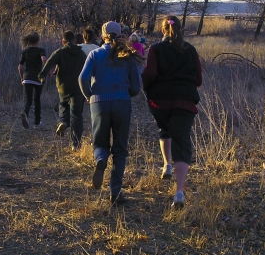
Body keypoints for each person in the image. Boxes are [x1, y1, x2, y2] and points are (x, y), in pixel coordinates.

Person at [142, 15, 202, 209]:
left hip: (160, 101)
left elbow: (150, 73)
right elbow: (198, 79)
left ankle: (167, 165)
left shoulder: (156, 49)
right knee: (182, 142)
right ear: (180, 29)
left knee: (164, 129)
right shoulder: (191, 50)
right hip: (185, 101)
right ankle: (179, 192)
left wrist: (148, 90)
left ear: (162, 30)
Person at [79, 21, 141, 204]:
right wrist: (126, 94)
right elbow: (136, 87)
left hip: (99, 103)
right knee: (120, 149)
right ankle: (115, 191)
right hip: (122, 102)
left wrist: (89, 96)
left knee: (100, 141)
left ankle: (100, 159)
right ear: (120, 35)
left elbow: (82, 78)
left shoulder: (95, 54)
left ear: (102, 35)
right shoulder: (127, 56)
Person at [39, 30, 86, 150]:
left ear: (63, 41)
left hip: (63, 87)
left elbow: (48, 63)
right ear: (75, 41)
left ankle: (64, 122)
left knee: (63, 105)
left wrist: (42, 76)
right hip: (78, 87)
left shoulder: (60, 52)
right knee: (76, 115)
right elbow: (88, 68)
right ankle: (75, 144)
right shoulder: (81, 54)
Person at [18, 32, 47, 129]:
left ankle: (25, 113)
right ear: (38, 41)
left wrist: (22, 77)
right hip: (37, 78)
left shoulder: (25, 51)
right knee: (37, 99)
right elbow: (43, 59)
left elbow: (20, 66)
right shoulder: (41, 50)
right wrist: (48, 70)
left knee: (28, 99)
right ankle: (37, 123)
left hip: (27, 78)